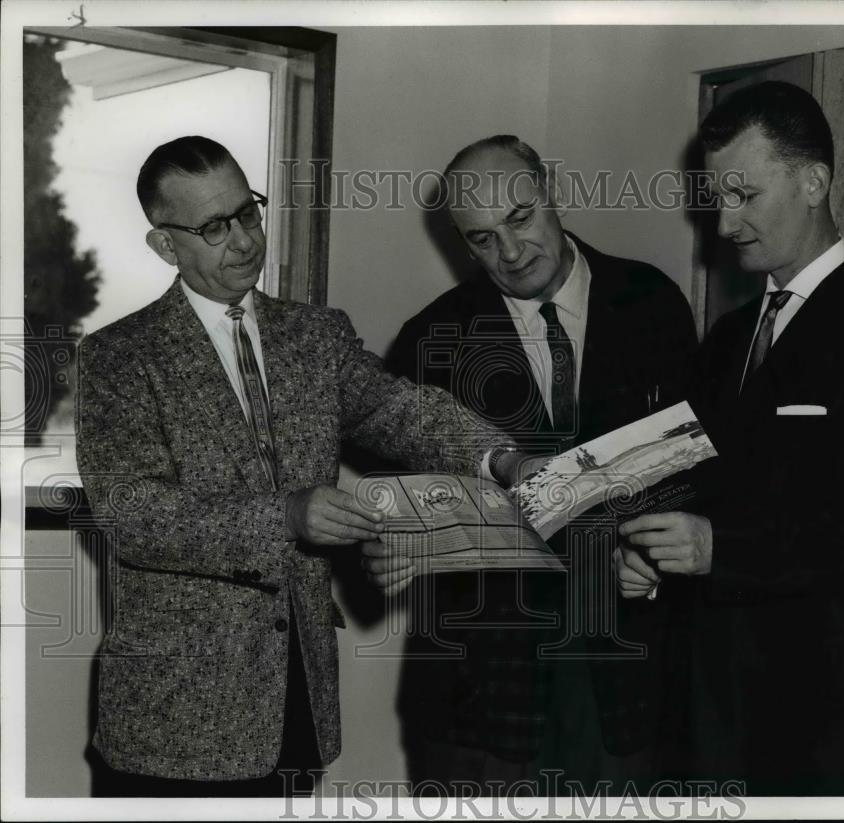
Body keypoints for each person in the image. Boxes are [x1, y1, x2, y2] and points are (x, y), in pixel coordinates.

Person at [75, 136, 528, 797]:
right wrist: (285, 514)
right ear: (166, 246)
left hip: (297, 705)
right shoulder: (116, 358)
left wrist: (503, 457)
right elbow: (136, 515)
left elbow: (403, 410)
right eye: (212, 227)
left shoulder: (315, 337)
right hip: (173, 728)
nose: (243, 240)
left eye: (247, 212)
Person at [615, 82, 844, 795]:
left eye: (744, 196)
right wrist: (641, 555)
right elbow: (684, 483)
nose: (726, 224)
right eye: (717, 200)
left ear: (814, 180)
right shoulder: (725, 340)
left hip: (808, 719)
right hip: (694, 719)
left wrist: (718, 549)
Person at [363, 135, 699, 794]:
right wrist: (391, 537)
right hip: (481, 695)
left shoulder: (652, 301)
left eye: (519, 219)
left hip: (625, 681)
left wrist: (654, 561)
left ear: (552, 194)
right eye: (482, 239)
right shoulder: (431, 339)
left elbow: (690, 471)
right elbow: (402, 508)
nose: (510, 253)